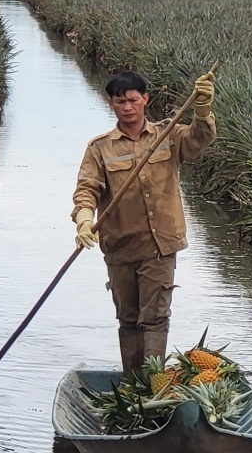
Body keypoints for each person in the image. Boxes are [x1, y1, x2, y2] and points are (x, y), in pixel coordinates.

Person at [71, 70, 216, 375]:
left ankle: (152, 386)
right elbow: (87, 189)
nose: (127, 107)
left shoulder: (169, 134)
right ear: (111, 104)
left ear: (145, 100)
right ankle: (132, 383)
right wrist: (84, 219)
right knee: (128, 318)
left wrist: (202, 111)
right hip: (121, 247)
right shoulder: (100, 148)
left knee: (155, 318)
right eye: (120, 101)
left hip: (160, 245)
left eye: (133, 100)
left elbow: (198, 141)